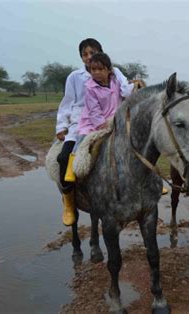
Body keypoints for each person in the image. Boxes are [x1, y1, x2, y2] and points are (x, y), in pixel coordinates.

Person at [56, 38, 134, 226]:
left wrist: (134, 85)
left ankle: (148, 183)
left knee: (139, 146)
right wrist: (61, 126)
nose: (89, 57)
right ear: (81, 58)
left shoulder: (115, 74)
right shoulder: (76, 77)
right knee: (64, 158)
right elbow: (67, 102)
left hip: (113, 118)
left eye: (92, 53)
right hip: (81, 121)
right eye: (85, 54)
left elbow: (125, 90)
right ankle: (69, 200)